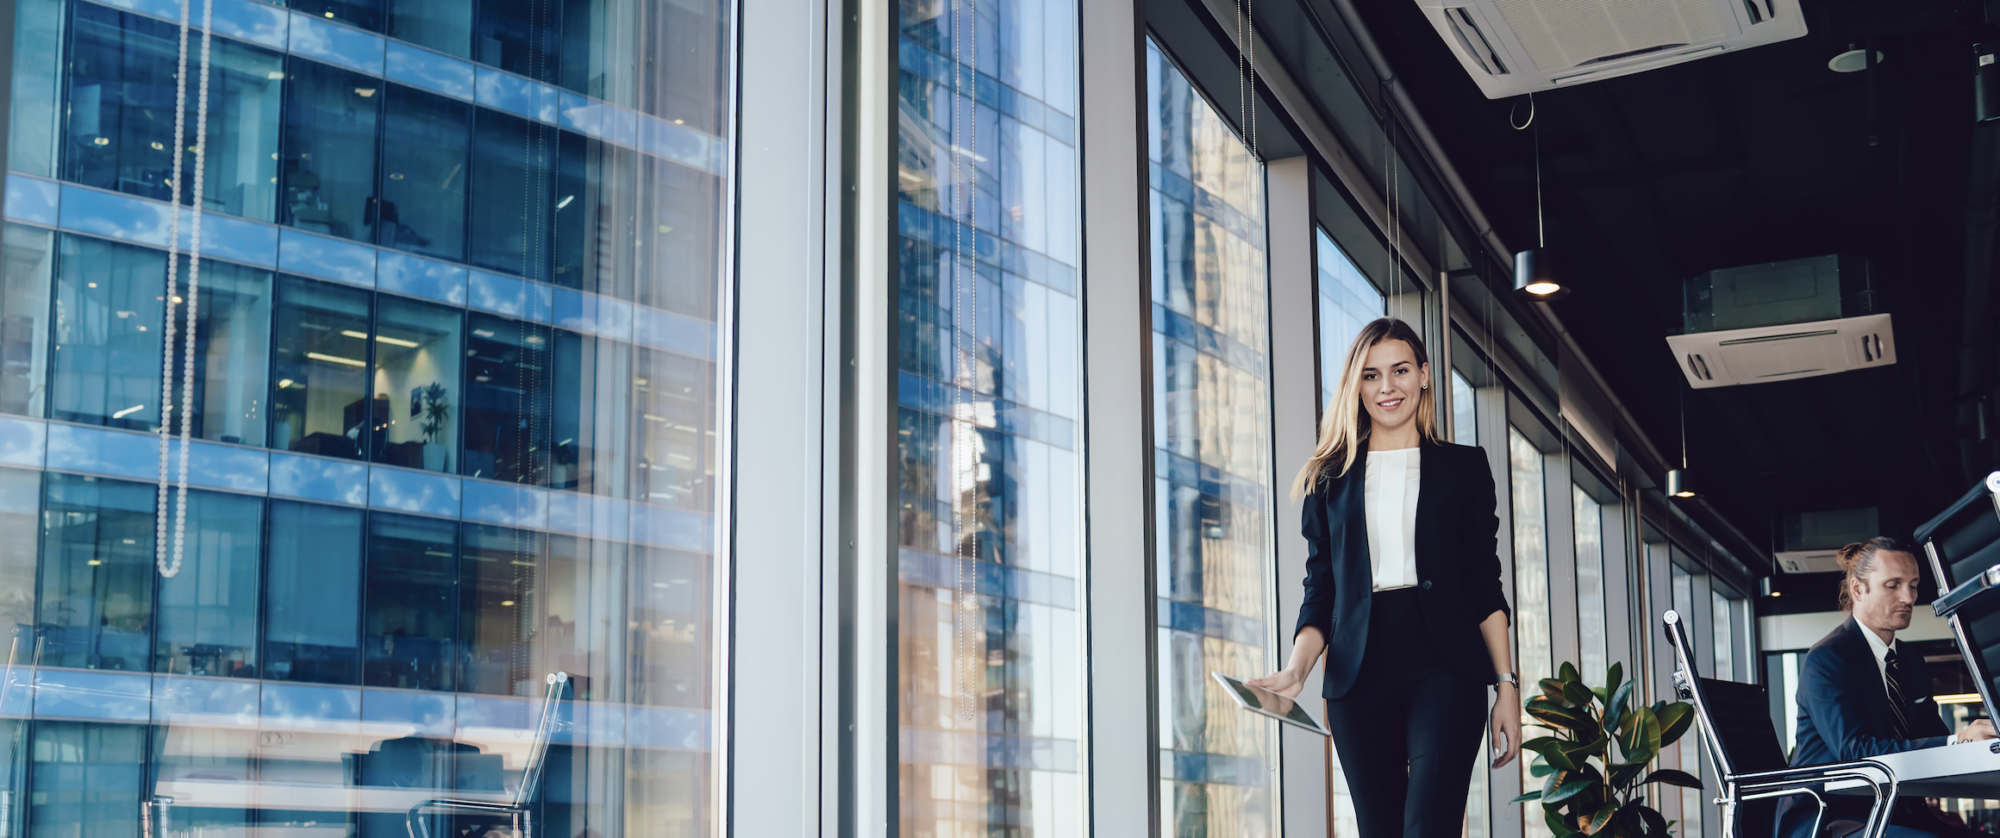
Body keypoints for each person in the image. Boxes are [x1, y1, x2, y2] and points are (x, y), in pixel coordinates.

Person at [1247, 317, 1519, 838]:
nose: (1386, 387)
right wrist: (1296, 671)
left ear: (1423, 376)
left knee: (1430, 826)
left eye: (1399, 371)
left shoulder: (1463, 468)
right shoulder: (1330, 478)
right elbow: (1320, 590)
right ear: (1356, 386)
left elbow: (1485, 583)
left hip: (1444, 664)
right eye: (1370, 376)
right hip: (1359, 672)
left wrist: (1506, 685)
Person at [1777, 537, 1999, 838]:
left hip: (1895, 810)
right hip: (1832, 816)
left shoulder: (1910, 661)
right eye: (1893, 585)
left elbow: (1931, 736)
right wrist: (1958, 741)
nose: (1908, 597)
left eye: (1914, 584)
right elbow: (1856, 752)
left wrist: (1981, 744)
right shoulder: (1828, 660)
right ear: (1858, 589)